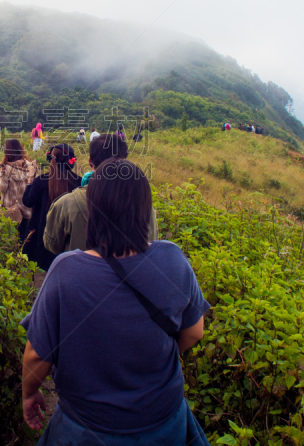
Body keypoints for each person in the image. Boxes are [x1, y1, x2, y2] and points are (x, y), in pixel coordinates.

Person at [21, 159, 211, 444]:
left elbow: (37, 356)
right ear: (144, 210)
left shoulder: (67, 270)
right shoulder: (172, 260)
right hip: (164, 421)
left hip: (85, 426)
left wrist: (29, 393)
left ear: (93, 209)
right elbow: (195, 332)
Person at [44, 134, 158, 255]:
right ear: (125, 160)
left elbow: (52, 245)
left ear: (90, 162)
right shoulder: (144, 204)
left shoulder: (66, 204)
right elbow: (151, 240)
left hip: (81, 271)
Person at [21, 144, 80, 271]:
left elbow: (27, 201)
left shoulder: (41, 180)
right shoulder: (78, 182)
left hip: (41, 239)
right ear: (71, 161)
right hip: (68, 239)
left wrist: (31, 177)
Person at [0, 139, 38, 244]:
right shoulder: (30, 165)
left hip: (10, 210)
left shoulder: (6, 168)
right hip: (26, 210)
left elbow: (2, 187)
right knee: (24, 240)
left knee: (9, 240)